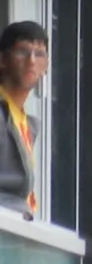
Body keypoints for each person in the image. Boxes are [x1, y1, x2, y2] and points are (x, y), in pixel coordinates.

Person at [0, 20, 47, 218]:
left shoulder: (28, 124)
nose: (31, 61)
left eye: (39, 54)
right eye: (22, 51)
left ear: (46, 65)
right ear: (2, 60)